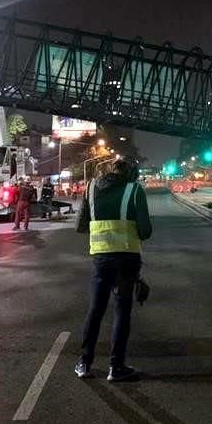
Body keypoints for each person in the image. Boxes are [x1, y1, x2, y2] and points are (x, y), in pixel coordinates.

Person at [75, 157, 152, 382]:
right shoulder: (134, 190)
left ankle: (84, 363)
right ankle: (116, 367)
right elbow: (146, 231)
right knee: (122, 310)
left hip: (101, 257)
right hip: (127, 259)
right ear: (130, 173)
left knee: (96, 309)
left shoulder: (90, 188)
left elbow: (81, 225)